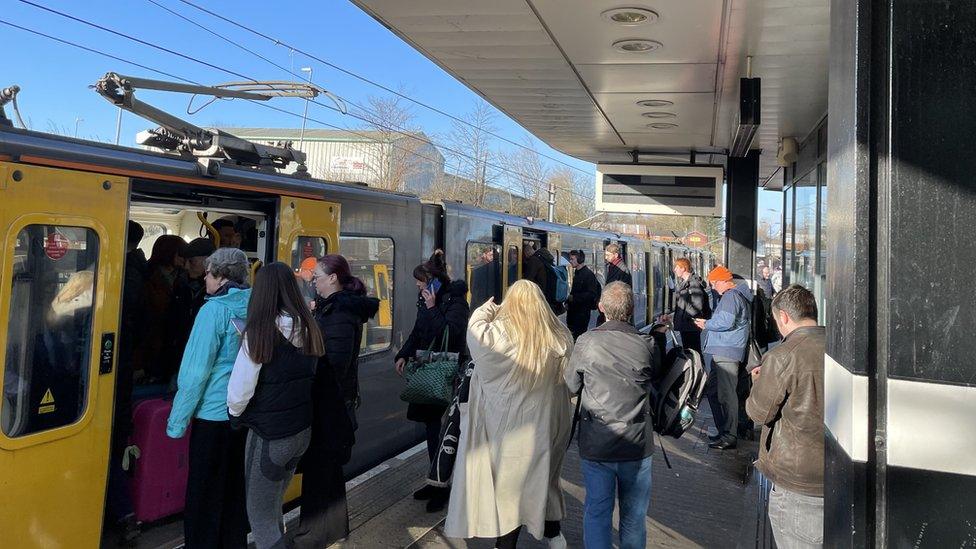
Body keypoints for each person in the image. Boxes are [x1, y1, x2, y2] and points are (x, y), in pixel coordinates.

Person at [445, 280, 572, 549]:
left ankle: (506, 543)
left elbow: (475, 331)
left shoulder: (498, 335)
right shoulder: (558, 336)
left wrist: (488, 309)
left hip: (509, 433)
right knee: (544, 482)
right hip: (545, 431)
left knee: (509, 494)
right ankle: (555, 536)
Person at [226, 262, 324, 549]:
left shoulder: (259, 332)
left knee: (259, 517)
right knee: (273, 505)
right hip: (300, 433)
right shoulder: (309, 327)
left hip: (269, 436)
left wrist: (234, 415)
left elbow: (239, 392)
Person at [565, 281, 662, 549]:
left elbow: (570, 386)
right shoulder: (648, 344)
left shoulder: (587, 342)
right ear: (631, 310)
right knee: (633, 517)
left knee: (597, 512)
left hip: (598, 443)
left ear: (601, 308)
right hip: (637, 443)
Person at [166, 248, 251, 549]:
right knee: (233, 490)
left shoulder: (213, 311)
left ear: (222, 276)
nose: (205, 278)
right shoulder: (254, 305)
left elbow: (195, 372)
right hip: (242, 415)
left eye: (209, 273)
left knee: (203, 493)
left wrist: (176, 423)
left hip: (212, 416)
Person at [293, 255, 379, 548]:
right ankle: (333, 528)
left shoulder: (340, 314)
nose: (313, 281)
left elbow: (335, 362)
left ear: (333, 278)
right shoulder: (336, 308)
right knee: (328, 468)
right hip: (333, 399)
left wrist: (303, 355)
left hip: (329, 401)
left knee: (320, 466)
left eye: (317, 276)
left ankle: (313, 533)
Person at [746, 285, 825, 548]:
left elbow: (758, 413)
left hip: (797, 481)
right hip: (834, 477)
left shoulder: (782, 356)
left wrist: (757, 382)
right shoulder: (840, 347)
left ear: (784, 318)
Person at [394, 250, 470, 512]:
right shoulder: (426, 299)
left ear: (434, 282)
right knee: (430, 427)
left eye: (421, 281)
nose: (417, 285)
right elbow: (419, 330)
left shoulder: (456, 301)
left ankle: (445, 484)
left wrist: (431, 307)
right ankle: (433, 478)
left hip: (448, 373)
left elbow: (451, 333)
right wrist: (403, 353)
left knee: (446, 430)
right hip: (429, 368)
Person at [104, 220, 146, 545]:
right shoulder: (135, 271)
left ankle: (122, 514)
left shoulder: (126, 275)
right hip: (124, 368)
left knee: (111, 444)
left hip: (120, 370)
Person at [694, 266, 753, 450]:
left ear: (722, 281)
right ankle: (723, 430)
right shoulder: (736, 295)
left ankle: (729, 435)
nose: (713, 287)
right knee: (712, 391)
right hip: (723, 351)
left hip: (727, 351)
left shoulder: (730, 296)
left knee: (727, 395)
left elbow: (725, 322)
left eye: (713, 283)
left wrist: (707, 324)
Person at [140, 235, 188, 382]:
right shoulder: (148, 276)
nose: (184, 258)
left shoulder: (183, 276)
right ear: (168, 252)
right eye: (180, 253)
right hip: (152, 338)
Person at [668, 257, 711, 355]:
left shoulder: (693, 284)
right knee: (690, 352)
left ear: (683, 268)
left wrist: (685, 317)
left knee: (694, 353)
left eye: (677, 267)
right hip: (686, 325)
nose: (674, 270)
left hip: (690, 326)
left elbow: (697, 306)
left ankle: (698, 369)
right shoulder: (685, 283)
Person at [565, 249, 601, 341]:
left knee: (578, 337)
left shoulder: (588, 275)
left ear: (579, 260)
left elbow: (591, 294)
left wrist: (574, 298)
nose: (570, 261)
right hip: (573, 312)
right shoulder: (577, 273)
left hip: (581, 313)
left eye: (572, 259)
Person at [522, 241, 564, 315]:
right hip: (550, 299)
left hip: (540, 299)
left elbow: (527, 281)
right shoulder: (545, 258)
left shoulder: (534, 260)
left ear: (526, 253)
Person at [598, 243, 631, 325]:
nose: (606, 258)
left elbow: (624, 291)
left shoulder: (622, 269)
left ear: (615, 255)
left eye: (608, 255)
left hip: (616, 309)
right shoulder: (612, 266)